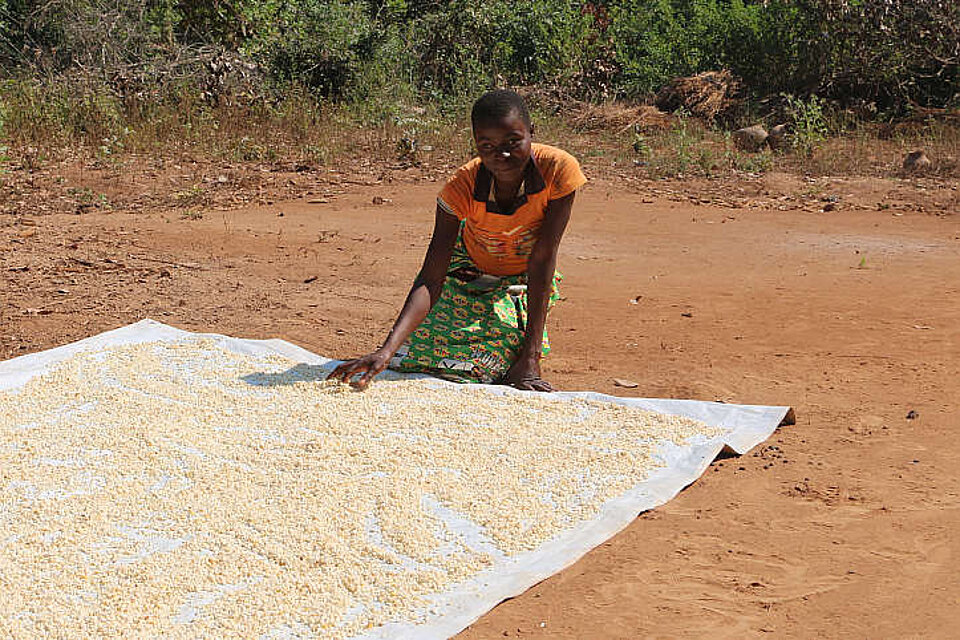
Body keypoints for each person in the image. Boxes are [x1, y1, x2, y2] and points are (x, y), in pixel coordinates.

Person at [329, 89, 586, 391]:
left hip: (524, 280)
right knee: (418, 349)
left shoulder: (558, 170)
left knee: (494, 359)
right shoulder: (460, 187)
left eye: (512, 142)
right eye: (486, 145)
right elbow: (431, 277)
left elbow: (542, 258)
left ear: (532, 132)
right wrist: (385, 351)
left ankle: (521, 352)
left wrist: (530, 360)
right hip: (467, 273)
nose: (500, 155)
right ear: (476, 144)